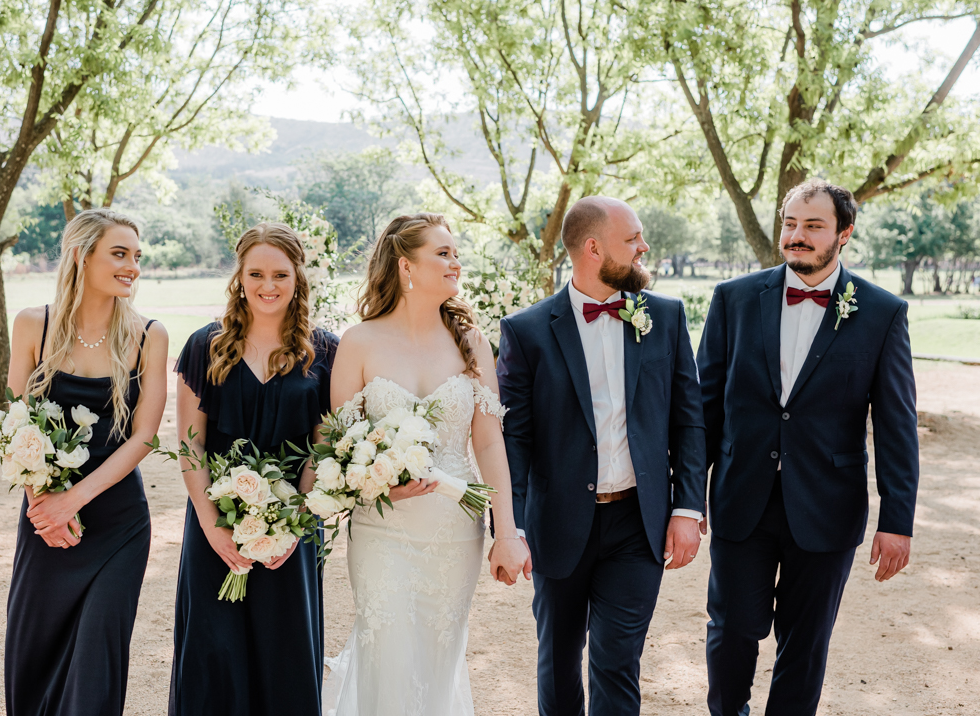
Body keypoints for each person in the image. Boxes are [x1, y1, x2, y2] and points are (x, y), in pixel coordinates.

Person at [697, 179, 919, 716]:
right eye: (790, 223)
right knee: (731, 629)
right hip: (741, 497)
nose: (796, 235)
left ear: (844, 234)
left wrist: (898, 519)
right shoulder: (733, 299)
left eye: (813, 225)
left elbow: (897, 423)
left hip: (828, 504)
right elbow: (703, 410)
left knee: (806, 641)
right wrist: (684, 500)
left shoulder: (882, 312)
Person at [496, 196, 706, 715]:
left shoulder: (665, 316)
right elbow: (514, 440)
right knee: (559, 659)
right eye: (632, 239)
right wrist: (510, 526)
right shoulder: (526, 331)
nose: (644, 247)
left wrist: (687, 507)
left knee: (617, 660)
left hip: (638, 522)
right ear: (593, 248)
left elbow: (688, 419)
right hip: (558, 522)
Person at [321, 213, 528, 716]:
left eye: (456, 253)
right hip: (382, 528)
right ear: (405, 265)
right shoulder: (359, 342)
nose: (456, 262)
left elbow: (489, 443)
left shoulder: (472, 342)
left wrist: (507, 531)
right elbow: (338, 445)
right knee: (388, 657)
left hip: (453, 532)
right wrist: (377, 487)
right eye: (443, 253)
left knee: (437, 659)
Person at [4, 208, 168, 716]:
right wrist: (44, 505)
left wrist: (72, 500)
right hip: (45, 519)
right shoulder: (32, 325)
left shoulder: (149, 335)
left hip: (119, 525)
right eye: (119, 254)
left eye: (136, 256)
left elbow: (144, 437)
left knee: (97, 664)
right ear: (81, 255)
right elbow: (16, 427)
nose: (132, 267)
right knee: (33, 656)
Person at [170, 223, 338, 715]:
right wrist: (212, 527)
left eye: (280, 274)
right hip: (214, 524)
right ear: (239, 277)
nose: (268, 285)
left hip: (293, 529)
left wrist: (295, 523)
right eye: (256, 274)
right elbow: (190, 443)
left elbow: (321, 448)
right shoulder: (205, 345)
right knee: (213, 649)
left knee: (284, 651)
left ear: (298, 276)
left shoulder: (325, 351)